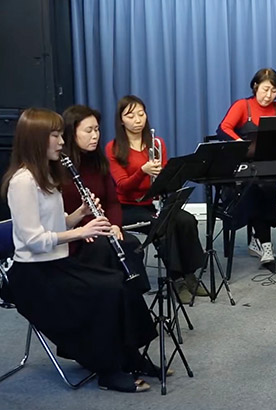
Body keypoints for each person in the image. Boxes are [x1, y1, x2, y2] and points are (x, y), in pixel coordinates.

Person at [1, 108, 158, 393]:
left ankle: (131, 356)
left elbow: (54, 222)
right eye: (55, 135)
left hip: (56, 262)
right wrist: (81, 231)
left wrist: (80, 214)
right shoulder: (22, 182)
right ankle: (108, 370)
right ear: (36, 139)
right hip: (32, 275)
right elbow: (33, 239)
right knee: (105, 292)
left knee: (121, 284)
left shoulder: (46, 175)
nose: (62, 141)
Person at [105, 95, 207, 303]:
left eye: (141, 114)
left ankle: (189, 274)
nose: (137, 120)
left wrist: (167, 176)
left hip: (154, 203)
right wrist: (142, 171)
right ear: (121, 120)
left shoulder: (156, 143)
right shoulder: (113, 148)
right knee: (163, 226)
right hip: (127, 206)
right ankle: (176, 279)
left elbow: (166, 178)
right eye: (130, 116)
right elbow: (122, 185)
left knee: (186, 220)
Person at [60, 104, 151, 293]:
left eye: (97, 130)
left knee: (131, 244)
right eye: (89, 131)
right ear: (71, 133)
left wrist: (115, 225)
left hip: (102, 228)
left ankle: (132, 296)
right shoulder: (59, 168)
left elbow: (112, 202)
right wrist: (83, 229)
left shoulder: (97, 161)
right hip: (76, 234)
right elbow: (60, 212)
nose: (95, 135)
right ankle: (112, 297)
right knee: (103, 250)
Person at [216, 68, 276, 265]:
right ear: (255, 86)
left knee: (269, 188)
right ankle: (265, 244)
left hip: (267, 165)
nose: (269, 95)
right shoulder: (243, 105)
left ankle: (259, 240)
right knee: (258, 188)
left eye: (274, 91)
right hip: (242, 168)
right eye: (265, 89)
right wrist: (241, 143)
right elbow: (223, 128)